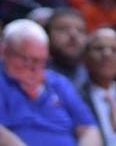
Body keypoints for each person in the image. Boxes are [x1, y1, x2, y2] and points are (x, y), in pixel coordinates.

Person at [0, 18, 101, 146]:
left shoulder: (58, 83)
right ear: (5, 51)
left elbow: (89, 129)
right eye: (26, 58)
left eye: (40, 60)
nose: (33, 67)